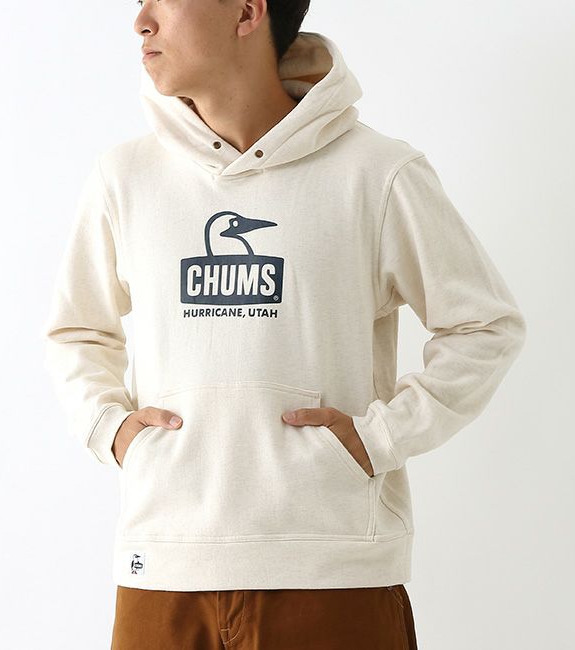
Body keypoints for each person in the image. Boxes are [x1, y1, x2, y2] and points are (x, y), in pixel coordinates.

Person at [42, 1, 526, 648]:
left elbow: (484, 326)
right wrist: (111, 428)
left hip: (332, 571)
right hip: (164, 565)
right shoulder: (124, 179)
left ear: (247, 11)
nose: (142, 21)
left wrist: (381, 438)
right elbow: (77, 330)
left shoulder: (377, 174)